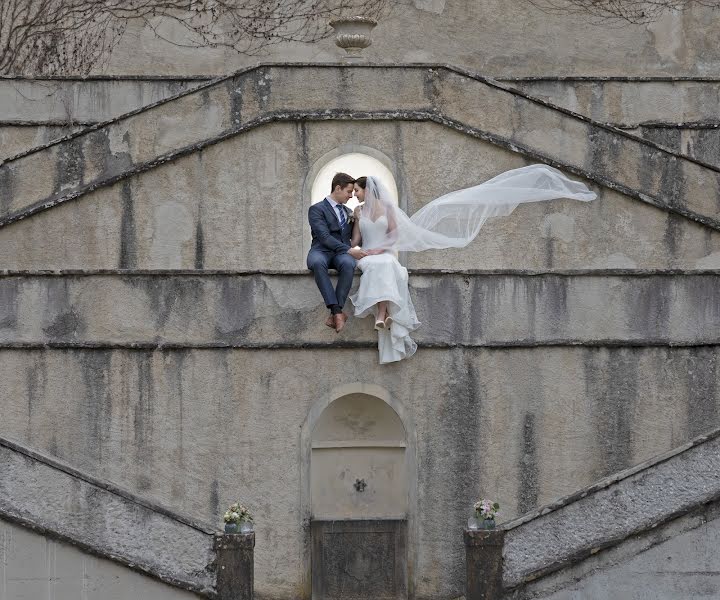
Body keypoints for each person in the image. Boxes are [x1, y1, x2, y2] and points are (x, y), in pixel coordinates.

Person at [347, 164, 597, 364]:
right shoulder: (359, 213)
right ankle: (385, 312)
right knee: (379, 266)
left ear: (367, 190)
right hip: (368, 257)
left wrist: (379, 249)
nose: (355, 194)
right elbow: (356, 238)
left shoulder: (388, 210)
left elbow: (394, 236)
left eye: (357, 190)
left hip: (384, 253)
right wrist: (356, 249)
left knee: (387, 265)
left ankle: (382, 313)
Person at [307, 172, 367, 332]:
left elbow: (356, 239)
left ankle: (336, 313)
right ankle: (337, 311)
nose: (351, 196)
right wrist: (349, 249)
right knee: (318, 263)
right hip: (320, 250)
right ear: (338, 188)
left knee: (349, 263)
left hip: (341, 255)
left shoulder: (349, 212)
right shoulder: (316, 209)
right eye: (348, 192)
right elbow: (324, 237)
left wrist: (359, 221)